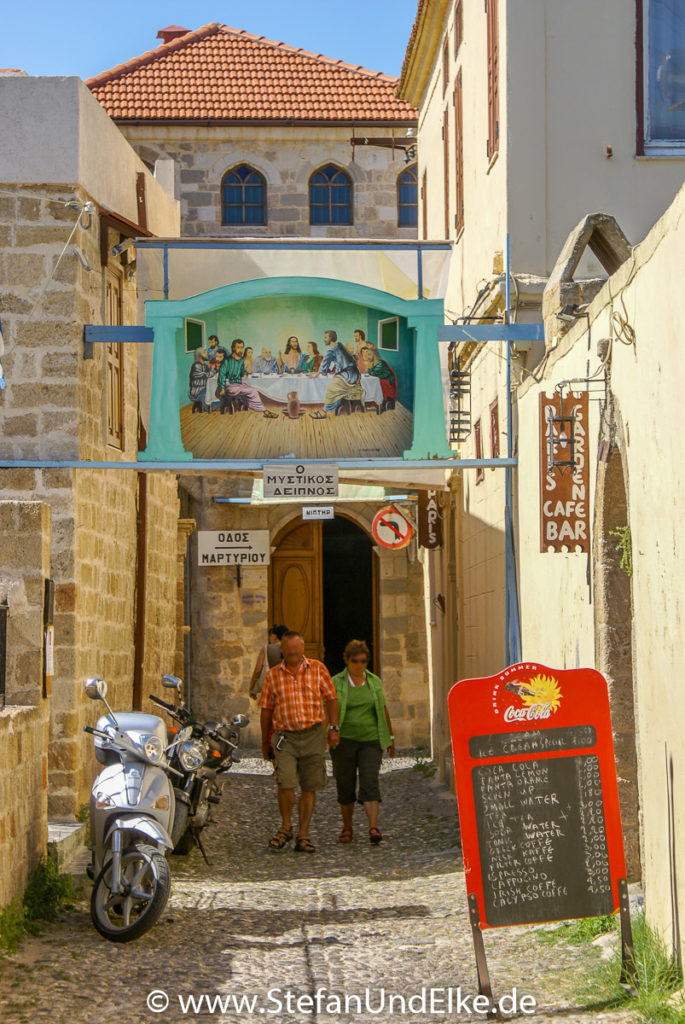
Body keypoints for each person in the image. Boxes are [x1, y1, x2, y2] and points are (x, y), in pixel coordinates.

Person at [259, 630, 339, 852]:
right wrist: (265, 742)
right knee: (285, 781)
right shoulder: (273, 675)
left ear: (302, 648)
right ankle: (286, 826)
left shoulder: (318, 669)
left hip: (313, 734)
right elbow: (266, 710)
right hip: (285, 737)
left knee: (310, 785)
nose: (293, 653)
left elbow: (331, 698)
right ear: (282, 650)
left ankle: (303, 833)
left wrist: (333, 728)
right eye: (288, 649)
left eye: (296, 648)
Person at [330, 639, 395, 845]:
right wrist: (330, 732)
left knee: (370, 780)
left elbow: (383, 709)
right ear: (347, 661)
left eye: (363, 661)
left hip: (370, 739)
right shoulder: (336, 682)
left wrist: (390, 737)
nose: (360, 665)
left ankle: (373, 827)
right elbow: (329, 709)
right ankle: (347, 827)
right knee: (345, 783)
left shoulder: (374, 681)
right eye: (355, 661)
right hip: (344, 740)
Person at [315, 329, 363, 413]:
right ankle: (339, 406)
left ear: (331, 338)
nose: (324, 339)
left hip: (347, 375)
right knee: (335, 386)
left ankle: (326, 410)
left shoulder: (331, 350)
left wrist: (318, 373)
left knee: (331, 388)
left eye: (326, 337)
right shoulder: (340, 345)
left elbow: (324, 364)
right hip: (355, 373)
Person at [217, 338, 266, 412]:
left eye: (242, 348)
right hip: (230, 385)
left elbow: (243, 370)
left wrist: (245, 373)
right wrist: (223, 388)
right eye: (238, 347)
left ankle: (259, 408)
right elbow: (222, 374)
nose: (241, 350)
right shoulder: (227, 360)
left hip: (238, 383)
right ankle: (261, 410)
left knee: (253, 389)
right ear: (233, 348)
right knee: (252, 391)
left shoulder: (241, 360)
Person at [249, 624, 288, 700]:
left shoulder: (266, 649)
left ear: (274, 636)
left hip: (269, 686)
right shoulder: (290, 648)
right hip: (285, 685)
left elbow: (257, 670)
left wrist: (252, 687)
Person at [188, 348, 213, 412]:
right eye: (204, 352)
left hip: (203, 388)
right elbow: (205, 375)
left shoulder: (204, 365)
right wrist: (212, 372)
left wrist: (212, 368)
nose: (206, 354)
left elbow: (210, 372)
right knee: (208, 393)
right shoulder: (196, 365)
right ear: (200, 356)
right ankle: (207, 407)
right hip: (197, 390)